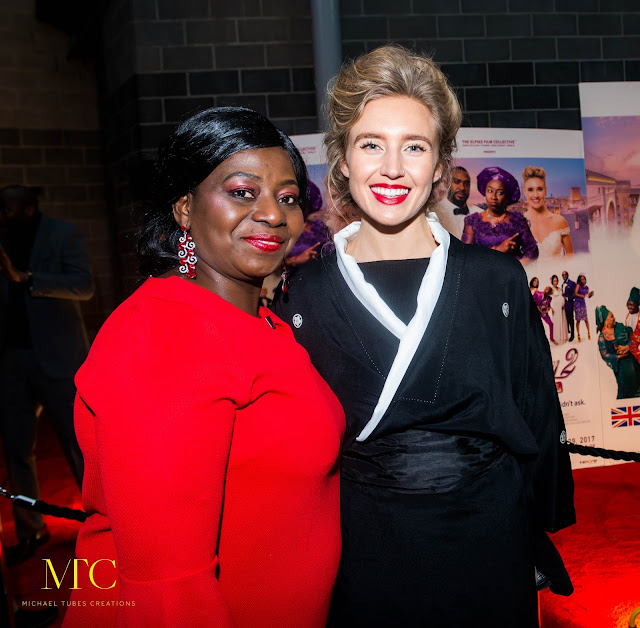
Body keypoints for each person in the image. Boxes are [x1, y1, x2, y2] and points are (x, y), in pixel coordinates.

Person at [274, 45, 575, 627]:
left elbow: (537, 410)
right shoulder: (301, 292)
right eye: (371, 145)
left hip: (489, 538)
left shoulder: (496, 278)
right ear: (342, 161)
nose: (392, 168)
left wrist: (539, 527)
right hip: (363, 545)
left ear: (439, 167)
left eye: (414, 146)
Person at [63, 107, 344, 627]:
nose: (272, 214)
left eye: (288, 198)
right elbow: (167, 588)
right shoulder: (165, 334)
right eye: (242, 192)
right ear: (185, 208)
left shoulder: (259, 322)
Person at [0, 185, 92, 565]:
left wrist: (25, 277)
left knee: (78, 447)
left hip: (59, 358)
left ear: (28, 208)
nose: (1, 216)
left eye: (6, 209)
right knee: (17, 450)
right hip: (11, 360)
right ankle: (31, 530)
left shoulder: (62, 234)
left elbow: (84, 286)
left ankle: (101, 526)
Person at [462, 166, 539, 263]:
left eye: (500, 193)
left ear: (507, 196)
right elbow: (465, 255)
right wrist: (498, 250)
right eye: (490, 191)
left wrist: (516, 267)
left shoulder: (518, 220)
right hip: (483, 272)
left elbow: (532, 252)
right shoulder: (472, 221)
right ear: (485, 192)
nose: (494, 197)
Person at [522, 166, 574, 258]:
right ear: (524, 192)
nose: (536, 195)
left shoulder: (560, 221)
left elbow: (570, 254)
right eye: (530, 190)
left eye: (540, 189)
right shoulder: (518, 223)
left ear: (545, 190)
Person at [596, 306, 640, 399]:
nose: (614, 318)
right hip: (619, 366)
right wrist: (619, 356)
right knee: (624, 389)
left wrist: (627, 346)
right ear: (606, 321)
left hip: (631, 361)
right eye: (611, 316)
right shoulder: (602, 338)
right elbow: (604, 354)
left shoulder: (620, 326)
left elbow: (631, 335)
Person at [433, 165, 481, 238]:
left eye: (466, 184)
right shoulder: (433, 212)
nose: (462, 188)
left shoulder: (480, 213)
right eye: (456, 182)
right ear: (447, 183)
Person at [574, 274, 594, 342]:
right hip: (577, 303)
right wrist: (582, 296)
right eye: (582, 279)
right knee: (578, 320)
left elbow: (587, 296)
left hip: (583, 303)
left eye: (584, 279)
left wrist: (591, 294)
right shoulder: (578, 285)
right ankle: (578, 334)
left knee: (586, 319)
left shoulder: (587, 287)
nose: (583, 280)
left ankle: (588, 333)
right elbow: (575, 293)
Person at [550, 274, 568, 344]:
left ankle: (563, 337)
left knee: (563, 320)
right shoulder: (551, 289)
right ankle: (557, 338)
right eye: (554, 281)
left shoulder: (559, 288)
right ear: (552, 282)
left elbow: (562, 296)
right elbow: (549, 299)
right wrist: (551, 308)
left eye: (556, 281)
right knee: (557, 321)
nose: (556, 282)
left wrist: (564, 303)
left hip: (562, 307)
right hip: (556, 308)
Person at [562, 270, 576, 342]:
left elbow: (575, 295)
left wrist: (568, 298)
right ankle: (568, 332)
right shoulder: (562, 285)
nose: (564, 276)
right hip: (564, 306)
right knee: (566, 320)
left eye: (565, 274)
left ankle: (573, 335)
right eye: (563, 275)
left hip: (570, 304)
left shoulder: (572, 283)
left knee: (571, 320)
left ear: (568, 275)